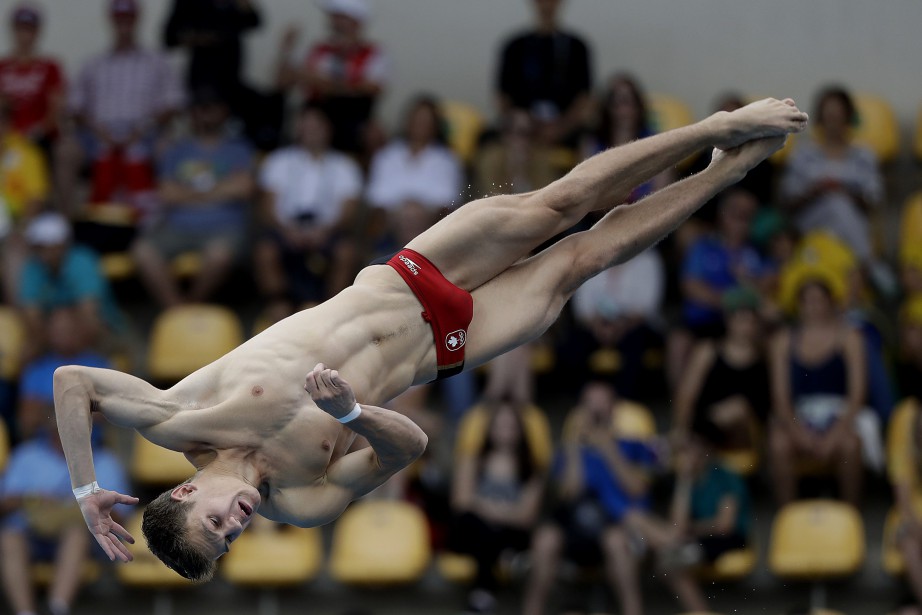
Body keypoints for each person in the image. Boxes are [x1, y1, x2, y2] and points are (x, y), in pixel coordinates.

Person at [51, 98, 808, 581]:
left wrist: (86, 492)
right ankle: (727, 170)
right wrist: (351, 414)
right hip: (445, 347)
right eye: (229, 540)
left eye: (214, 520)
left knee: (564, 203)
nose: (235, 522)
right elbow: (408, 447)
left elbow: (72, 383)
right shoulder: (301, 504)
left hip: (410, 279)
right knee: (587, 257)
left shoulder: (181, 415)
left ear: (187, 488)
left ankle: (715, 126)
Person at [521, 382, 658, 615]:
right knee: (545, 540)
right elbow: (568, 493)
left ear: (614, 408)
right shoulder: (569, 449)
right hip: (575, 521)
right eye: (589, 402)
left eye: (601, 402)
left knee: (616, 542)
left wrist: (608, 447)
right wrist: (575, 445)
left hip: (613, 522)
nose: (595, 409)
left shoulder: (634, 445)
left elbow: (637, 489)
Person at [131, 88, 255, 308]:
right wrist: (219, 190)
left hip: (224, 229)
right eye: (199, 108)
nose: (205, 113)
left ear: (224, 112)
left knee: (219, 256)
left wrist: (188, 193)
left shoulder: (239, 148)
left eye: (211, 108)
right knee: (142, 251)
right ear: (191, 113)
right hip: (177, 228)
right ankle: (177, 311)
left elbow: (244, 189)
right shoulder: (177, 150)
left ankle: (191, 305)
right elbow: (167, 194)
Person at [768, 270, 881, 505]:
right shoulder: (783, 341)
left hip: (840, 413)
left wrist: (835, 434)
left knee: (850, 444)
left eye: (819, 300)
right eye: (807, 301)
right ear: (798, 305)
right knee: (779, 444)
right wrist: (799, 433)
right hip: (801, 414)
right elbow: (781, 397)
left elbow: (857, 393)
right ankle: (786, 518)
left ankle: (851, 515)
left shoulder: (850, 338)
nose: (814, 307)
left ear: (831, 302)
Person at [64, 0, 184, 213]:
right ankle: (67, 224)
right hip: (98, 134)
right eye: (119, 19)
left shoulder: (156, 61)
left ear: (137, 20)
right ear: (111, 21)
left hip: (146, 133)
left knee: (170, 149)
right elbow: (74, 107)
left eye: (128, 18)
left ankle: (164, 221)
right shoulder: (94, 63)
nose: (124, 24)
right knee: (66, 150)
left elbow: (174, 103)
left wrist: (144, 128)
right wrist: (97, 129)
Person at [0, 419, 130, 615]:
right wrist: (31, 499)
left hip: (85, 543)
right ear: (52, 430)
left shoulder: (105, 461)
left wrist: (91, 504)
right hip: (31, 533)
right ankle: (24, 612)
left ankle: (58, 608)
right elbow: (3, 504)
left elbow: (121, 519)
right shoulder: (26, 455)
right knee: (8, 538)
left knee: (76, 534)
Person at [622, 423, 752, 614]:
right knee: (655, 542)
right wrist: (685, 479)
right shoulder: (688, 479)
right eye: (686, 447)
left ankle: (699, 611)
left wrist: (689, 530)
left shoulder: (725, 476)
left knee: (668, 559)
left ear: (707, 448)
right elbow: (677, 524)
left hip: (725, 539)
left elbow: (725, 525)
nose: (689, 452)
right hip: (693, 539)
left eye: (694, 445)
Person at [255, 104, 362, 317]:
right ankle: (279, 304)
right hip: (286, 228)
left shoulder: (344, 166)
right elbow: (267, 207)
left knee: (346, 252)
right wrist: (288, 231)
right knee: (265, 251)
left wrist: (324, 231)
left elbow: (348, 212)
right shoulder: (279, 160)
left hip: (327, 230)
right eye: (305, 124)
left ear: (328, 128)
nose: (310, 130)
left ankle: (330, 310)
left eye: (317, 124)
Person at [449, 401, 545, 614]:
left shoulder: (531, 468)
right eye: (500, 425)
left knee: (496, 532)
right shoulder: (472, 460)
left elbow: (526, 517)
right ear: (490, 429)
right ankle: (504, 561)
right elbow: (461, 502)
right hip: (475, 530)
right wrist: (504, 511)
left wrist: (483, 505)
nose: (505, 431)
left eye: (511, 426)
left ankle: (480, 597)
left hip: (508, 532)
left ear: (521, 431)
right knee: (475, 525)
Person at [779, 85, 883, 264]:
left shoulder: (864, 156)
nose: (833, 123)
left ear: (848, 118)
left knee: (839, 204)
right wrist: (816, 190)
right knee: (834, 204)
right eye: (829, 117)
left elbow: (873, 200)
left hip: (853, 219)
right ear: (820, 119)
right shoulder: (803, 155)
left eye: (837, 117)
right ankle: (865, 265)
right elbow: (789, 200)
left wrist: (843, 190)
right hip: (810, 223)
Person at [276, 0, 388, 154]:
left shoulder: (373, 54)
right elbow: (284, 83)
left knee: (373, 133)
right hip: (317, 115)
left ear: (355, 21)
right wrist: (286, 51)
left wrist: (323, 83)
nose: (333, 20)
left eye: (339, 16)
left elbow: (373, 88)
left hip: (353, 120)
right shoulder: (320, 50)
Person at [673, 287, 770, 449]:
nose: (745, 328)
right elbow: (686, 396)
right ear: (728, 321)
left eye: (750, 321)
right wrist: (680, 428)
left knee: (738, 408)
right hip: (707, 423)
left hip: (747, 430)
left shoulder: (766, 355)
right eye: (740, 320)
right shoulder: (708, 351)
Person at [365, 95, 463, 255]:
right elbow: (377, 201)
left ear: (435, 126)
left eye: (426, 121)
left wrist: (417, 215)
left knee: (414, 215)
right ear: (408, 121)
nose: (421, 125)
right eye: (417, 120)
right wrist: (404, 215)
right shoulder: (386, 156)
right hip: (391, 227)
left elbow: (448, 203)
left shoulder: (448, 160)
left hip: (431, 231)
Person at [18, 213, 123, 358]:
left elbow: (90, 317)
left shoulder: (82, 261)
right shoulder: (33, 266)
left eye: (46, 245)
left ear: (61, 244)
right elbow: (31, 317)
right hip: (54, 337)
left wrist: (66, 339)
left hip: (103, 329)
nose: (42, 251)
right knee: (26, 351)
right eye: (38, 246)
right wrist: (57, 339)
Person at [496, 0, 592, 145]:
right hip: (523, 129)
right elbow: (502, 98)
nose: (547, 5)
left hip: (566, 129)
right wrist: (524, 125)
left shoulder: (577, 47)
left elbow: (585, 98)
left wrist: (561, 127)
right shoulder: (515, 46)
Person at [0, 2, 65, 153]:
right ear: (13, 31)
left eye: (29, 29)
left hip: (42, 138)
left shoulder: (50, 67)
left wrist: (38, 130)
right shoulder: (2, 67)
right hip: (6, 138)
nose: (24, 35)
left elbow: (56, 107)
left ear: (37, 32)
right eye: (20, 29)